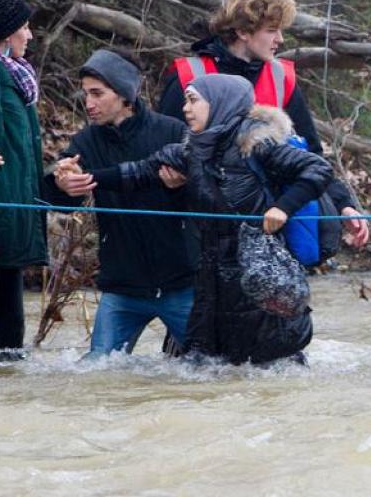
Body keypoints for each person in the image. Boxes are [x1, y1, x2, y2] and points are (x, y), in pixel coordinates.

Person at [64, 74, 334, 365]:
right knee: (211, 364)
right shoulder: (193, 148)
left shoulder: (257, 143)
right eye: (185, 100)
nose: (185, 108)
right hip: (211, 271)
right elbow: (137, 172)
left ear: (220, 103)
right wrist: (86, 179)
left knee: (271, 360)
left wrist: (283, 207)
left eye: (193, 100)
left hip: (258, 267)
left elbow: (317, 169)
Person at [157, 0, 368, 249]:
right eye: (272, 30)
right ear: (243, 32)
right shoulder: (189, 75)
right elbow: (162, 149)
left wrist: (344, 204)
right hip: (201, 228)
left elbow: (311, 155)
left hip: (268, 229)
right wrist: (170, 175)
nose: (280, 39)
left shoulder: (281, 78)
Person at [43, 48, 198, 357]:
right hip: (121, 286)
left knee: (212, 368)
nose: (88, 103)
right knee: (96, 372)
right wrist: (62, 181)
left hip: (181, 282)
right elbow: (54, 194)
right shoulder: (87, 140)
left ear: (125, 94)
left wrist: (181, 187)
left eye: (97, 94)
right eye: (85, 94)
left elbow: (207, 196)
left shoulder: (173, 131)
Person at [0, 0, 46, 359]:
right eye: (25, 27)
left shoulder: (11, 75)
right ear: (6, 33)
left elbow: (17, 157)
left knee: (10, 341)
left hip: (11, 226)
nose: (30, 35)